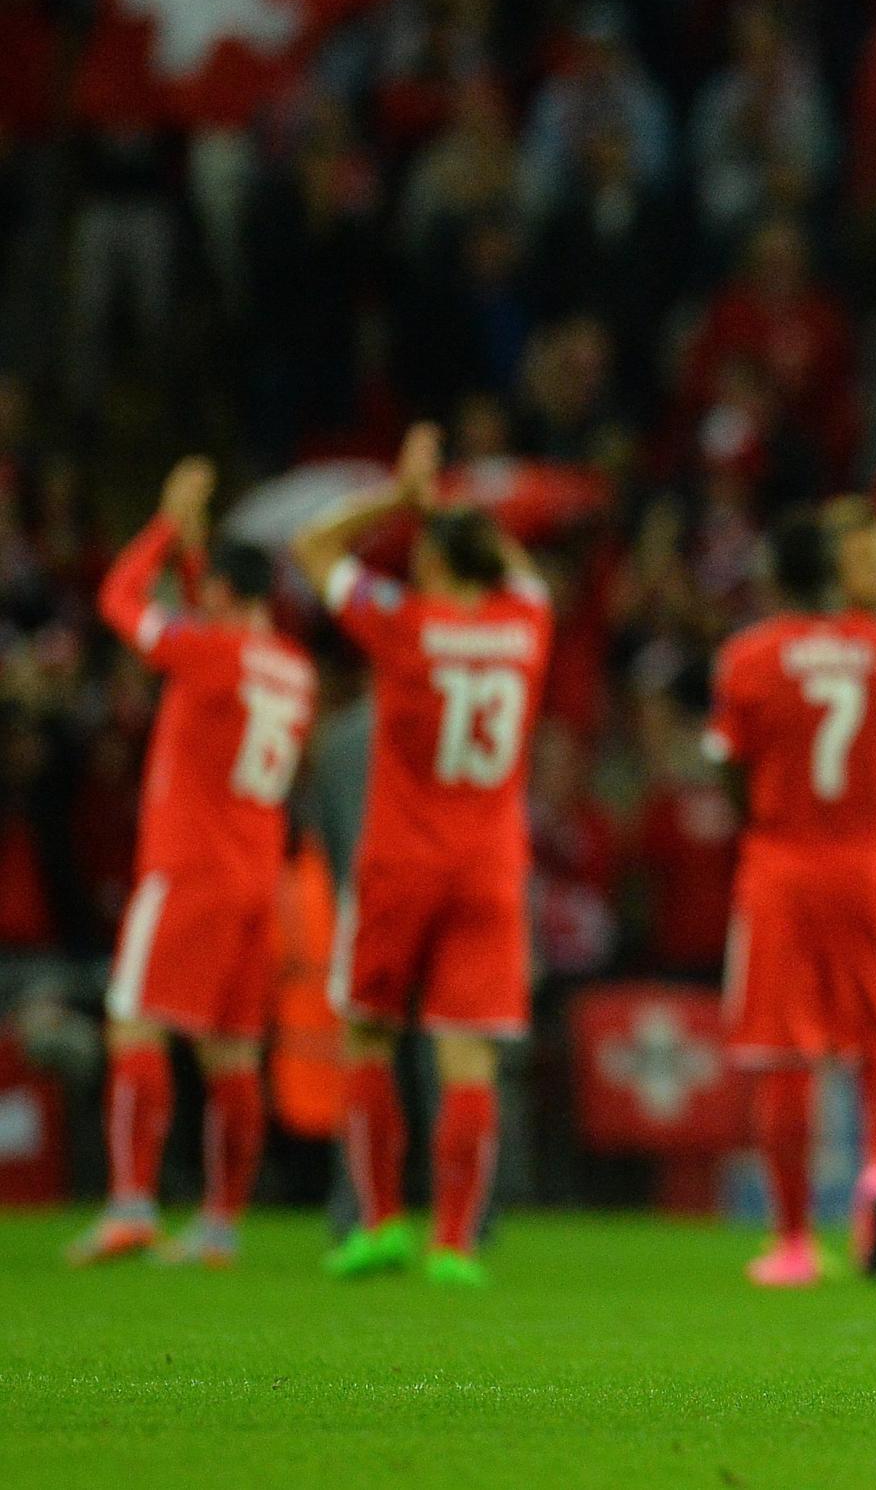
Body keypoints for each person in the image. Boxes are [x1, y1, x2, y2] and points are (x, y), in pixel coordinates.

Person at [293, 425, 553, 1287]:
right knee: (469, 1058)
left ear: (434, 567)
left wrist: (401, 500)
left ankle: (376, 1224)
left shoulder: (403, 622)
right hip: (489, 869)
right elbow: (518, 570)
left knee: (368, 1037)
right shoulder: (527, 624)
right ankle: (453, 1242)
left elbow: (312, 545)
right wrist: (456, 514)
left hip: (400, 864)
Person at [68, 459, 314, 1268]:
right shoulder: (294, 668)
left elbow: (119, 600)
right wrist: (196, 548)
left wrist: (165, 532)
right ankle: (218, 1226)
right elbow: (206, 605)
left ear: (217, 597)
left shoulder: (210, 653)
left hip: (189, 871)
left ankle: (133, 1204)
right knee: (231, 1055)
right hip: (256, 881)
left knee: (133, 1025)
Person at [707, 501, 876, 1286]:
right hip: (872, 868)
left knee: (787, 1055)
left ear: (779, 575)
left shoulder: (750, 655)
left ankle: (792, 1243)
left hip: (783, 869)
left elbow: (728, 765)